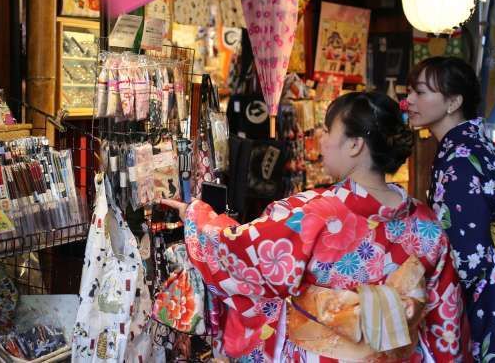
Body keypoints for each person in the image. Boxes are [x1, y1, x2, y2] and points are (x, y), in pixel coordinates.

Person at [160, 92, 469, 362]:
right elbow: (446, 322)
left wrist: (197, 216)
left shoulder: (314, 212)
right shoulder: (427, 223)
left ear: (355, 145)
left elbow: (240, 252)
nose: (321, 140)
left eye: (327, 130)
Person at [407, 56, 495, 361]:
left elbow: (468, 257)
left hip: (494, 307)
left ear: (453, 101)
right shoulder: (479, 144)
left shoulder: (457, 158)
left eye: (420, 92)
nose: (409, 101)